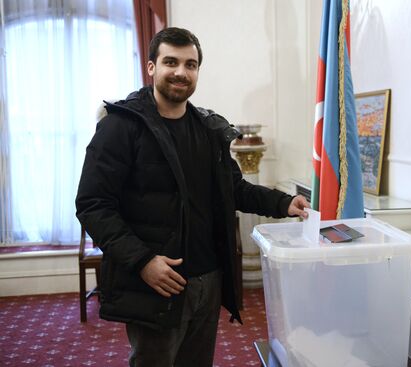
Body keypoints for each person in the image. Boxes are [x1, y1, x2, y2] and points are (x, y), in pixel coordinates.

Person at [75, 27, 309, 367]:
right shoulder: (121, 126)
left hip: (208, 279)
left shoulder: (207, 129)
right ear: (152, 67)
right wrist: (142, 261)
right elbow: (93, 204)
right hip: (156, 282)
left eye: (191, 64)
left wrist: (283, 202)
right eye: (171, 62)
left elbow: (233, 189)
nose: (181, 72)